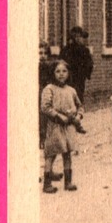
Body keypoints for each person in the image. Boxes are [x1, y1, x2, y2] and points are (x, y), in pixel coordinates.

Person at [40, 59, 83, 193]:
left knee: (67, 153)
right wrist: (59, 116)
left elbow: (80, 106)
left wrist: (78, 117)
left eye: (64, 71)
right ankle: (47, 183)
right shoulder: (49, 89)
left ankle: (68, 182)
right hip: (55, 126)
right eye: (57, 71)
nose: (61, 74)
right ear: (52, 73)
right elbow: (45, 107)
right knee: (51, 153)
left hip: (69, 126)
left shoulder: (71, 90)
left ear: (69, 73)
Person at [60, 26, 93, 105]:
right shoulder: (84, 50)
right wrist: (86, 74)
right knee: (78, 97)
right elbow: (89, 64)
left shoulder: (65, 49)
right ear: (76, 38)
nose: (83, 40)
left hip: (70, 79)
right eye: (81, 37)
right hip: (76, 79)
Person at [39, 40, 53, 149]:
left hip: (44, 93)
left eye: (45, 53)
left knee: (44, 116)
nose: (42, 56)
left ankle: (43, 139)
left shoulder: (49, 67)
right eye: (40, 53)